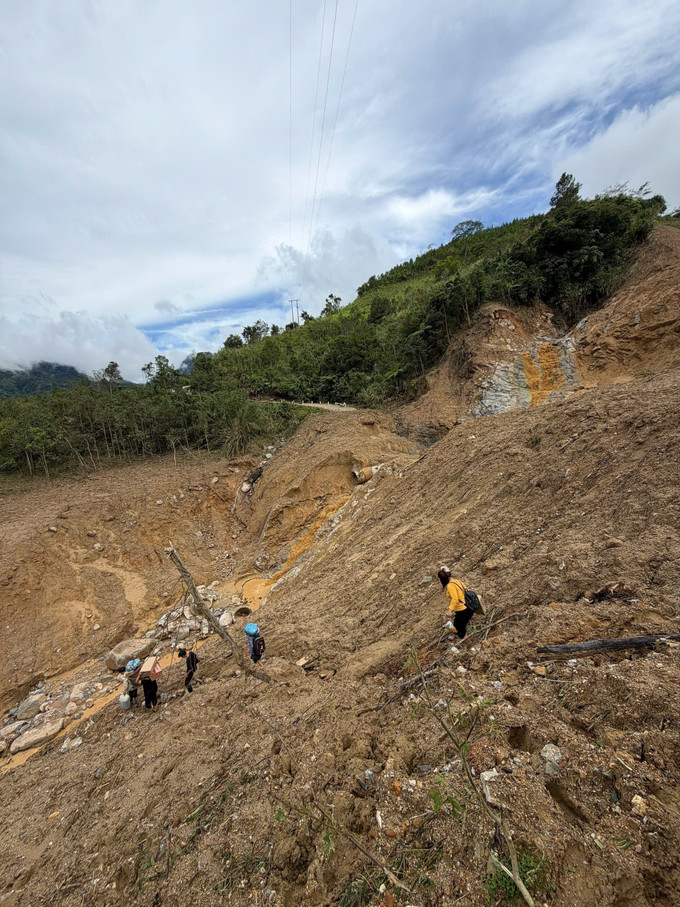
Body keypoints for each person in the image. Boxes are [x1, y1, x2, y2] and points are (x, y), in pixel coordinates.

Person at [437, 566, 482, 643]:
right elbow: (466, 589)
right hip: (469, 607)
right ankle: (464, 639)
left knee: (458, 628)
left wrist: (449, 610)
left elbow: (455, 599)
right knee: (460, 625)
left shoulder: (450, 586)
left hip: (462, 610)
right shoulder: (457, 581)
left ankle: (465, 643)